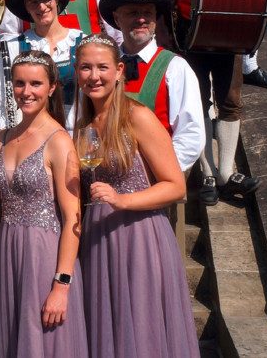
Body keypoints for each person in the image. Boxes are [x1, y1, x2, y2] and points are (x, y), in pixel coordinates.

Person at [72, 34, 200, 358]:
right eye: (86, 67)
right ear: (76, 72)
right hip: (98, 238)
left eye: (102, 67)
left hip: (139, 237)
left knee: (142, 333)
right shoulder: (83, 124)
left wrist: (122, 200)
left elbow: (175, 185)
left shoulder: (137, 116)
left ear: (118, 71)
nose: (94, 75)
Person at [0, 51, 88, 358]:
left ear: (51, 88)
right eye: (19, 83)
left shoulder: (60, 142)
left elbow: (73, 219)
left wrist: (62, 285)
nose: (26, 91)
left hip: (44, 256)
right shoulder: (2, 139)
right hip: (7, 254)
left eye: (35, 84)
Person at [150, 0, 259, 206]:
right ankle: (207, 172)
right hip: (186, 32)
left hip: (228, 29)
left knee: (230, 99)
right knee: (194, 104)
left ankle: (227, 172)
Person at [98, 0, 204, 172]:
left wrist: (160, 174)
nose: (141, 19)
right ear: (116, 18)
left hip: (155, 182)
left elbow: (191, 134)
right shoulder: (102, 66)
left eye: (147, 13)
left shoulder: (175, 67)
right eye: (132, 13)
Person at [0, 0, 84, 127]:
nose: (42, 7)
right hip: (29, 132)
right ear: (26, 8)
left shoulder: (82, 42)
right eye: (33, 2)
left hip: (75, 132)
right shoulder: (12, 46)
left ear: (57, 0)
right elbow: (6, 101)